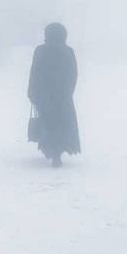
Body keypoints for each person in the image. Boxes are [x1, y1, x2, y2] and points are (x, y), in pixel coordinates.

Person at [27, 23, 81, 166]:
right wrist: (68, 91)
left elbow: (35, 72)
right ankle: (58, 152)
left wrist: (32, 92)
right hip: (63, 96)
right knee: (63, 125)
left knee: (48, 124)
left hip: (44, 96)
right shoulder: (68, 51)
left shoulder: (40, 51)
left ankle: (51, 149)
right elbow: (73, 74)